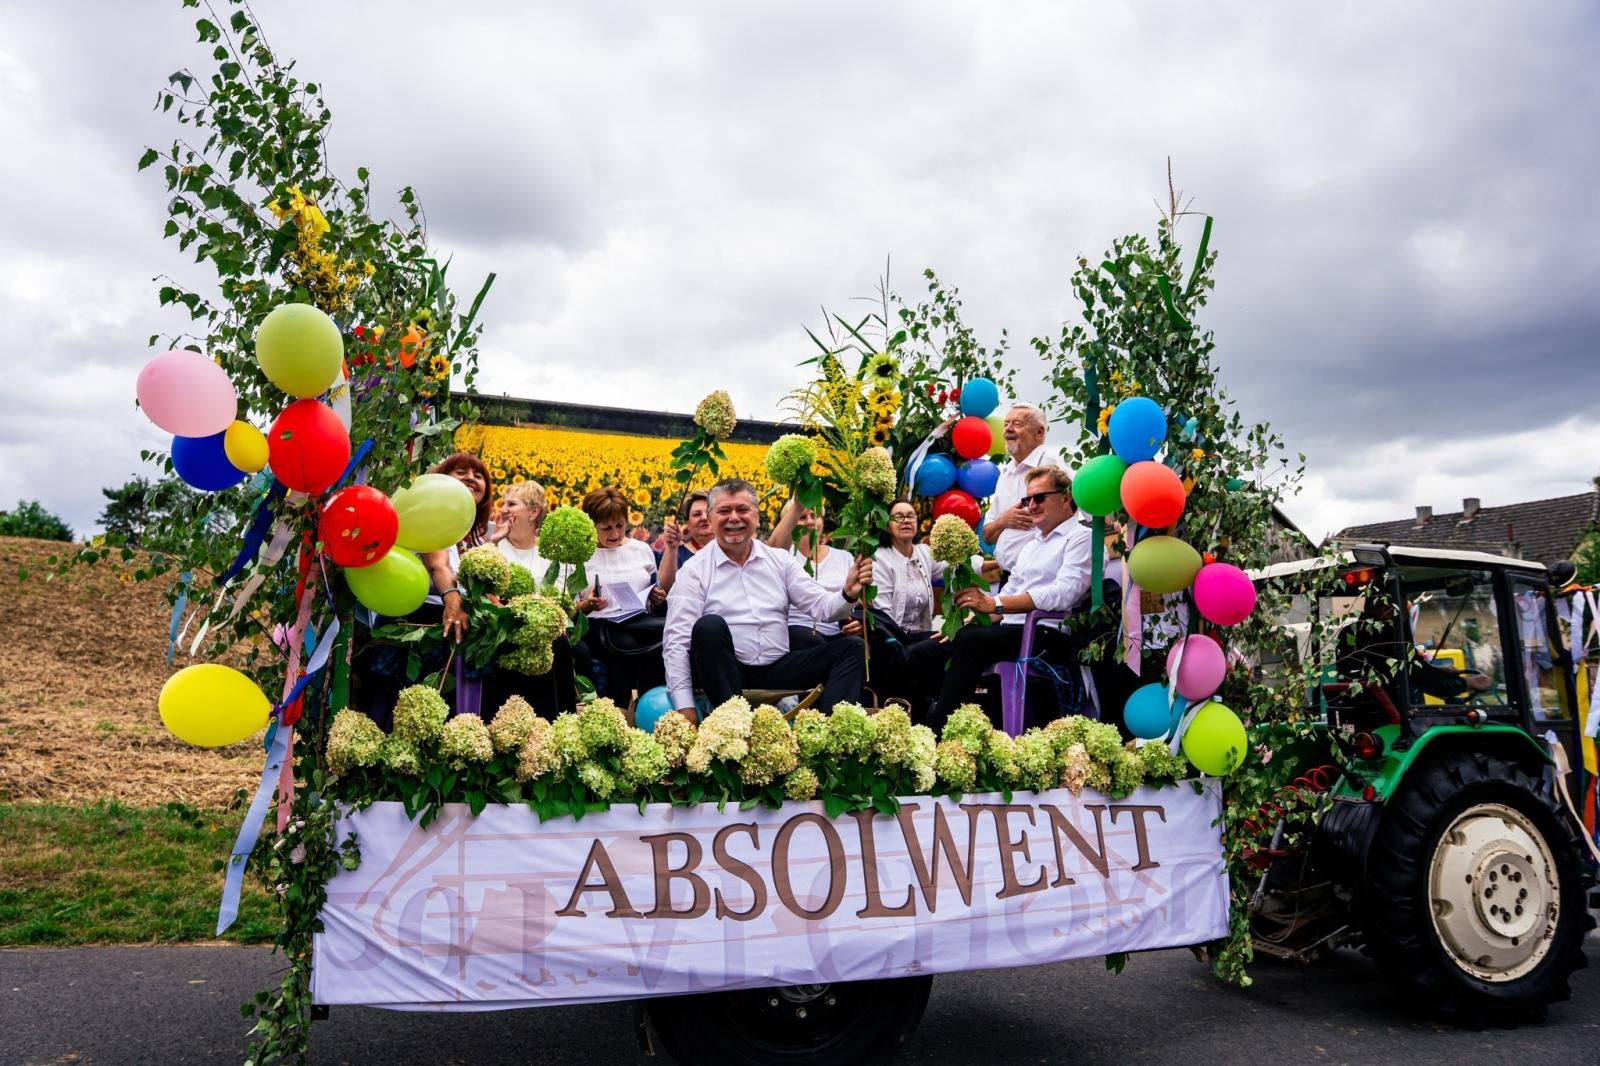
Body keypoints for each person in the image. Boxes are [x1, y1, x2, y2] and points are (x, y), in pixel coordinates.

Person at [663, 478, 873, 721]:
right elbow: (676, 642)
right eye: (724, 511)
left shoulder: (779, 560)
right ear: (710, 520)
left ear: (757, 518)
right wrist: (684, 708)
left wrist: (847, 593)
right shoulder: (694, 570)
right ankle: (732, 728)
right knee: (709, 626)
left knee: (852, 649)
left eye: (742, 510)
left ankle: (830, 735)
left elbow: (822, 606)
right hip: (726, 670)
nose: (734, 518)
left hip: (779, 667)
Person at [925, 466, 1099, 730]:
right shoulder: (1032, 545)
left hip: (1048, 633)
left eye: (1039, 498)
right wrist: (971, 619)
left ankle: (940, 733)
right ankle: (932, 723)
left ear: (1066, 498)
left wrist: (993, 604)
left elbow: (1065, 593)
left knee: (971, 642)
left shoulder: (1082, 538)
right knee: (923, 652)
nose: (1032, 506)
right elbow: (1007, 593)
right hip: (1012, 630)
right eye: (1027, 500)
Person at [579, 486, 666, 701]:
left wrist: (655, 598)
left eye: (620, 525)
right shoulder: (581, 555)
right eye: (606, 528)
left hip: (638, 620)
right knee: (625, 643)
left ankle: (652, 703)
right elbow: (571, 607)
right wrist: (588, 603)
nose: (616, 534)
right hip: (598, 623)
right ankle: (620, 706)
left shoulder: (641, 550)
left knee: (659, 641)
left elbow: (652, 588)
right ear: (591, 525)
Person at [981, 403, 1064, 573]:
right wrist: (1003, 521)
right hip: (1009, 578)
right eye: (1006, 424)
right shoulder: (1005, 475)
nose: (1008, 430)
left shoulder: (1053, 466)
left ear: (1039, 433)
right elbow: (987, 536)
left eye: (1017, 424)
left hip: (1044, 577)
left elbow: (1086, 514)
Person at [767, 496, 855, 649]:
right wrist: (797, 505)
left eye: (814, 516)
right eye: (802, 517)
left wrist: (857, 622)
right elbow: (772, 550)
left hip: (838, 630)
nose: (809, 522)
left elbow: (858, 600)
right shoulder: (784, 556)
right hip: (798, 633)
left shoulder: (844, 557)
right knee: (812, 641)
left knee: (859, 645)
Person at [873, 498, 946, 633]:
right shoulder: (880, 558)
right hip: (894, 639)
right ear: (888, 526)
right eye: (899, 517)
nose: (906, 520)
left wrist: (997, 563)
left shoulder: (924, 551)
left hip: (922, 634)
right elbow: (883, 614)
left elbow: (952, 567)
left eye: (911, 516)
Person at [657, 490, 713, 595]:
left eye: (709, 512)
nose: (704, 518)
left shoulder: (730, 551)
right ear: (687, 523)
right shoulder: (678, 554)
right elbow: (666, 588)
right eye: (697, 514)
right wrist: (671, 548)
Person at [489, 480, 546, 572]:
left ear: (534, 512)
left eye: (511, 504)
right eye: (503, 504)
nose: (502, 510)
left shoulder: (550, 552)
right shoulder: (491, 542)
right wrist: (492, 542)